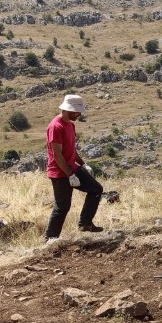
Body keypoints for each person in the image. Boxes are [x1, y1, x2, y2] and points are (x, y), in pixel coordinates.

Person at [45, 94, 103, 240]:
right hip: (59, 172)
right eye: (76, 112)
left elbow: (71, 149)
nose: (78, 114)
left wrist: (83, 164)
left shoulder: (70, 124)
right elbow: (57, 155)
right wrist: (70, 175)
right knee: (62, 207)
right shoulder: (55, 127)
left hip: (72, 167)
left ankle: (85, 223)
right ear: (67, 110)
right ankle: (50, 239)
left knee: (96, 189)